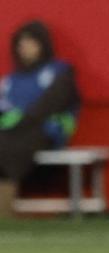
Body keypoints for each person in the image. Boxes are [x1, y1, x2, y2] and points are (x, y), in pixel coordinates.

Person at [0, 22, 81, 218]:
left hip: (47, 131)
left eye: (30, 42)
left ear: (42, 44)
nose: (24, 48)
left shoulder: (60, 72)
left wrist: (20, 121)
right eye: (21, 44)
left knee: (7, 146)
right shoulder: (11, 81)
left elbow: (49, 106)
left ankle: (4, 210)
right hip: (12, 132)